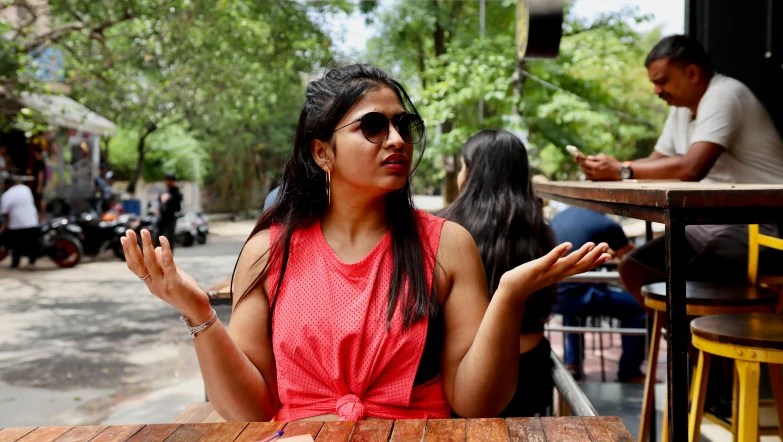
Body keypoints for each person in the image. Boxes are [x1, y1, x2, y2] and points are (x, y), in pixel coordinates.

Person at [119, 64, 611, 422]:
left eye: (404, 125)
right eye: (373, 126)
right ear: (322, 152)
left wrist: (508, 295)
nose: (396, 139)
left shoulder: (447, 245)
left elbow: (476, 404)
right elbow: (250, 409)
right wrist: (198, 312)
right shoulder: (269, 249)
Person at [577, 35, 783, 305]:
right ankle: (682, 341)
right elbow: (655, 161)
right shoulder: (681, 108)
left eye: (661, 81)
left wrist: (621, 170)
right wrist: (613, 169)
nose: (656, 91)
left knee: (693, 279)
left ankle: (697, 342)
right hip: (715, 222)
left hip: (766, 223)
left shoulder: (724, 95)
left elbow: (692, 167)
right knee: (634, 267)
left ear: (693, 73)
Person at [440, 129, 557, 417]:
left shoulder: (445, 231)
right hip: (531, 369)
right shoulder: (540, 230)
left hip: (465, 376)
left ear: (471, 172)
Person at [549, 207, 646, 383]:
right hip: (578, 295)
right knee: (638, 309)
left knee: (572, 302)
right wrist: (614, 253)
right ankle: (630, 372)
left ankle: (573, 364)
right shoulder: (607, 224)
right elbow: (631, 255)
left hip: (553, 295)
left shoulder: (561, 215)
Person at [0, 174, 40, 269]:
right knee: (32, 244)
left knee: (14, 245)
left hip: (18, 226)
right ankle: (32, 263)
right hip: (32, 222)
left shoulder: (6, 195)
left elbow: (4, 213)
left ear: (7, 185)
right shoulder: (25, 188)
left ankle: (15, 264)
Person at [156, 173, 182, 252]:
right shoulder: (163, 190)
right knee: (157, 235)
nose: (168, 182)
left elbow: (178, 206)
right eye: (167, 180)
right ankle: (158, 253)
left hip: (171, 217)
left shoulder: (176, 191)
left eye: (170, 180)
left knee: (170, 237)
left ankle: (169, 255)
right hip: (162, 217)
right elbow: (159, 201)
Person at [31, 147, 47, 220]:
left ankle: (42, 216)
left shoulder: (40, 162)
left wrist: (39, 186)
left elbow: (41, 174)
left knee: (41, 200)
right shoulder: (38, 162)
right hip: (38, 184)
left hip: (39, 184)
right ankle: (41, 216)